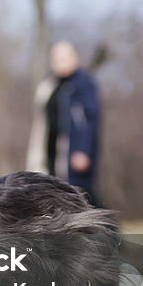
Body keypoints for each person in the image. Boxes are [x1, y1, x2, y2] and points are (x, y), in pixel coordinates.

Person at [44, 41, 103, 207]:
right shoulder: (56, 86)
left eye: (63, 59)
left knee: (83, 196)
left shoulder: (82, 83)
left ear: (74, 59)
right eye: (55, 59)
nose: (58, 63)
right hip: (57, 152)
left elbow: (89, 118)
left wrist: (82, 150)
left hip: (75, 151)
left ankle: (111, 232)